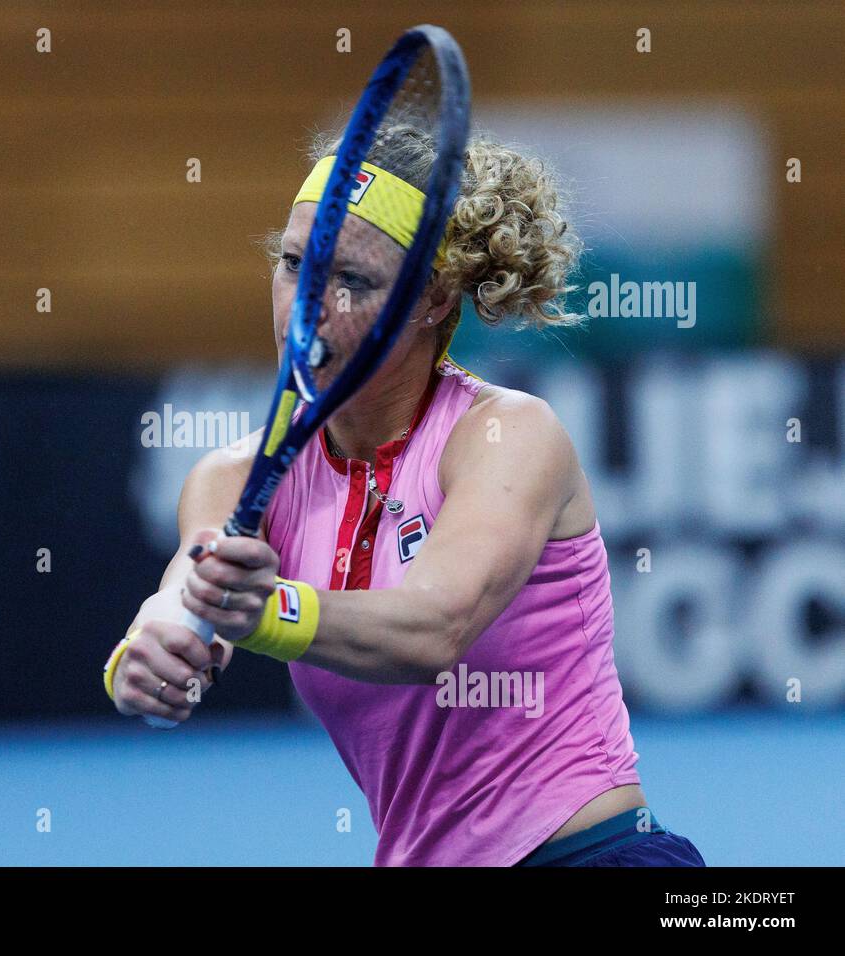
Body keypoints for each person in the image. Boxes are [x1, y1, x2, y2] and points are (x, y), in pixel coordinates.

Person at [104, 118, 705, 867]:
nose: (308, 306)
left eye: (352, 280)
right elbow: (187, 598)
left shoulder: (510, 436)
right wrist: (155, 646)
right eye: (294, 264)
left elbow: (433, 631)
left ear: (433, 299)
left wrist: (267, 610)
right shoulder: (228, 478)